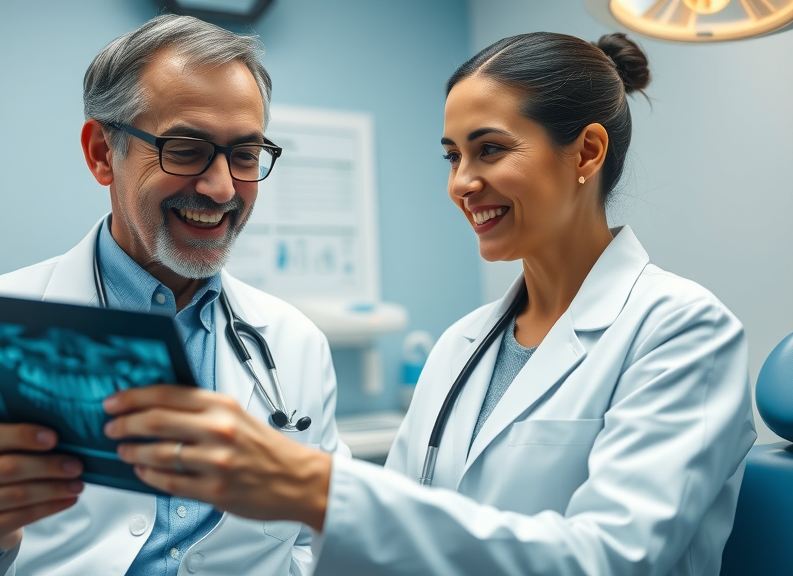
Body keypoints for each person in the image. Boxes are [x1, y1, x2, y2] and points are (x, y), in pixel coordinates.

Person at [99, 32, 757, 575]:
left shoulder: (681, 330)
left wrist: (319, 490)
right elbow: (396, 545)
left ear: (585, 152)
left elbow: (612, 561)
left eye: (490, 149)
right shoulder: (462, 345)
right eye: (452, 156)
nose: (462, 184)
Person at [0, 14, 347, 576]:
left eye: (244, 155)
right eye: (186, 148)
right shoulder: (1, 324)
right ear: (102, 152)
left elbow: (315, 543)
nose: (221, 188)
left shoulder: (296, 344)